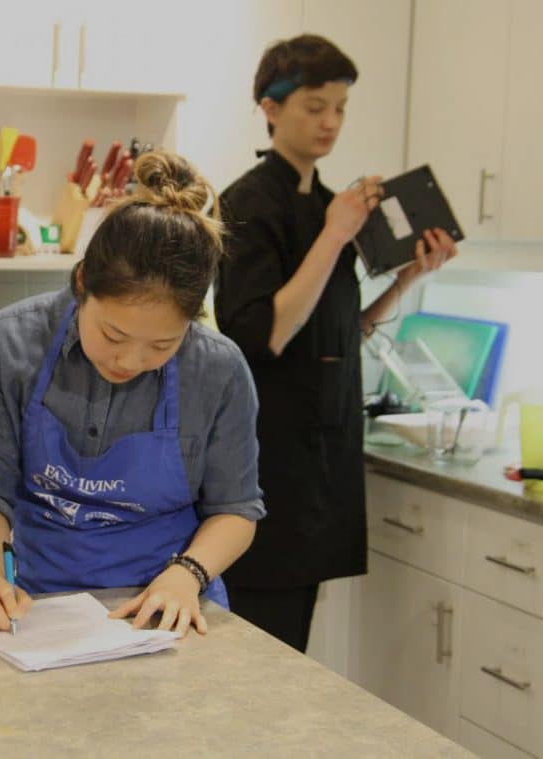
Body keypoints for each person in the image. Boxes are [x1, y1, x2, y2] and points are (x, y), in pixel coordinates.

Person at [0, 151, 265, 637]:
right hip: (38, 610)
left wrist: (187, 576)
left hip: (168, 614)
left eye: (162, 345)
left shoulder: (219, 371)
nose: (129, 361)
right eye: (114, 335)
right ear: (82, 283)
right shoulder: (8, 344)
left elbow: (237, 509)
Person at [215, 35, 457, 651]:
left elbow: (339, 330)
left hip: (324, 459)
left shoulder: (330, 205)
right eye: (315, 106)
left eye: (341, 108)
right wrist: (335, 235)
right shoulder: (247, 204)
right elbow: (260, 334)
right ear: (270, 109)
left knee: (294, 646)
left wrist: (408, 279)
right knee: (256, 648)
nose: (331, 122)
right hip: (268, 464)